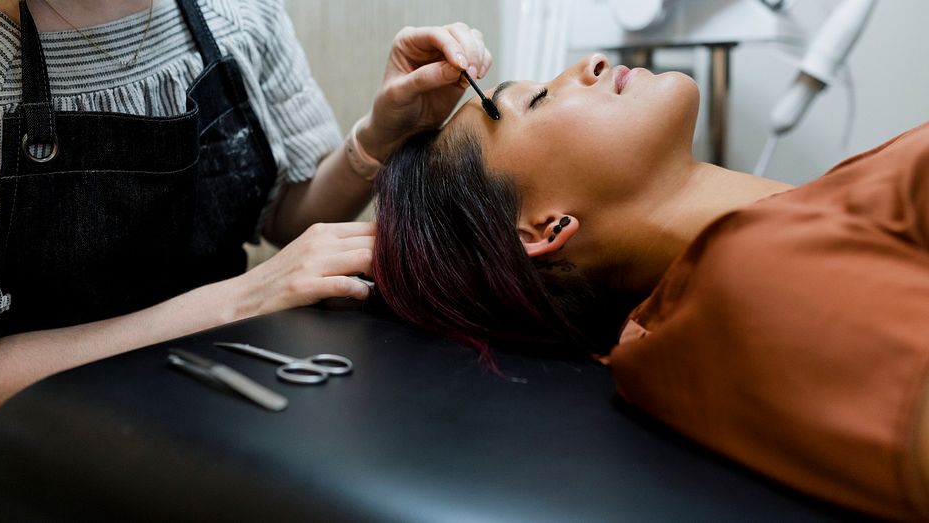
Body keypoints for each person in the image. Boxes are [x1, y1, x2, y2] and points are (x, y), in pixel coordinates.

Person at [0, 0, 492, 516]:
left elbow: (288, 215)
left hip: (210, 449)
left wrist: (382, 133)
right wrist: (242, 298)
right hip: (22, 482)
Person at [372, 52, 929, 521]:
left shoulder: (826, 205)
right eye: (538, 98)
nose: (589, 62)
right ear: (545, 229)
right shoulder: (747, 285)